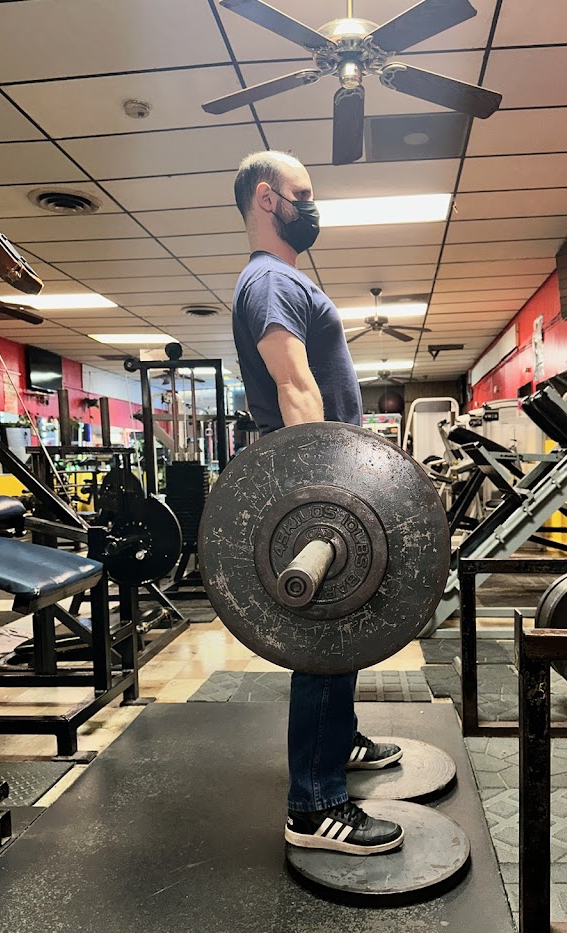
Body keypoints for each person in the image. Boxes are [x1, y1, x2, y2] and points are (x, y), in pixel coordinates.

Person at [230, 150, 404, 856]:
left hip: (327, 471)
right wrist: (327, 498)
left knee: (343, 623)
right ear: (267, 199)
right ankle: (314, 806)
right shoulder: (271, 281)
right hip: (318, 479)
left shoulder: (282, 279)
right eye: (303, 194)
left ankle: (340, 741)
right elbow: (295, 387)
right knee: (326, 632)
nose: (313, 207)